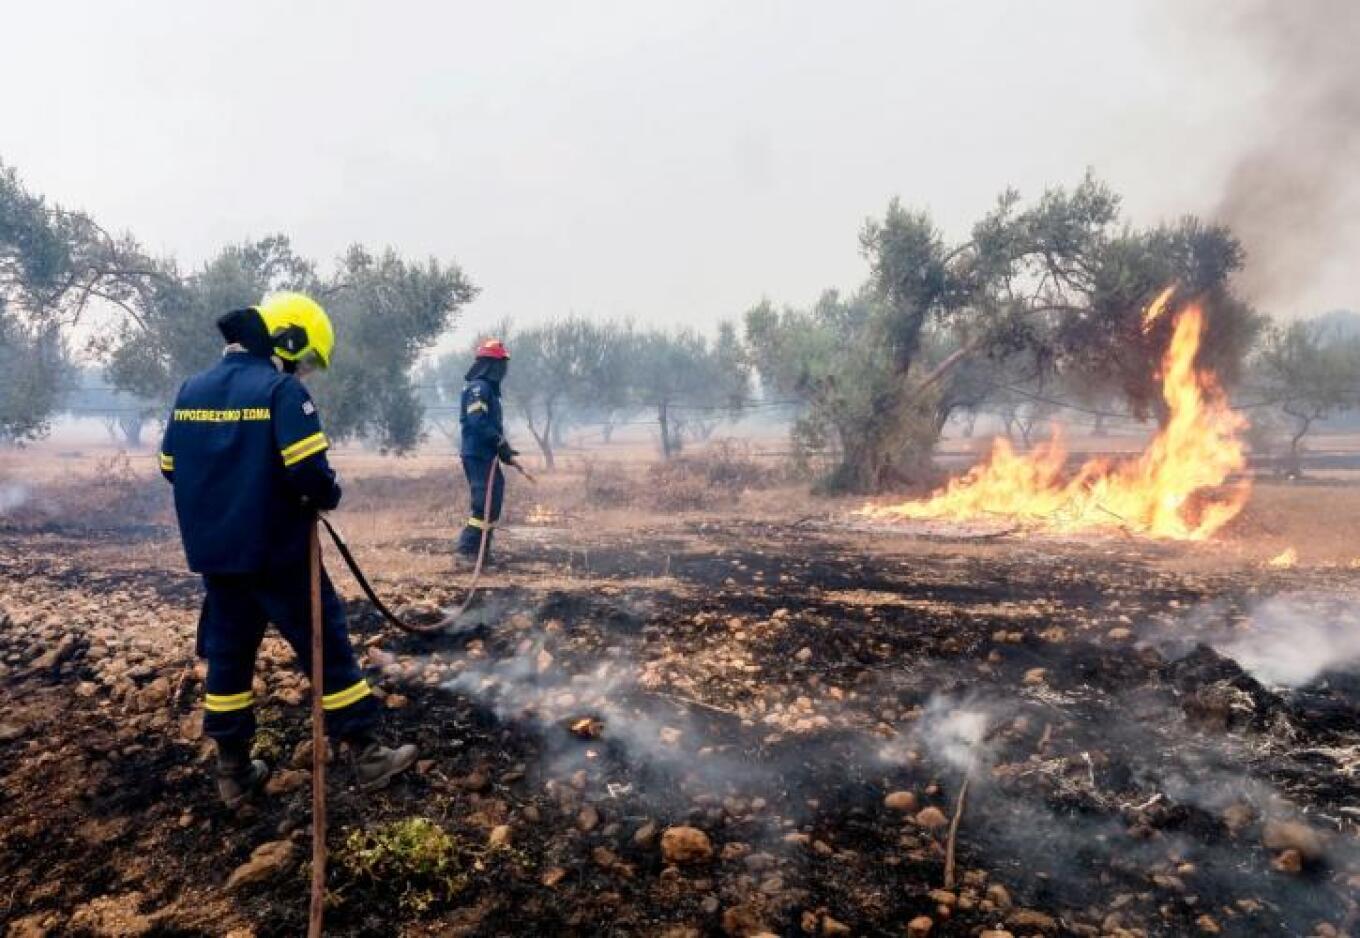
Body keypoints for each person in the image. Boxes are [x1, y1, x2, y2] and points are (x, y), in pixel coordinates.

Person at [158, 292, 417, 808]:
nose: (303, 373)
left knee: (229, 657)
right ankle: (368, 755)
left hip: (219, 558)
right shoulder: (280, 392)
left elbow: (169, 466)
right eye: (304, 360)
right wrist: (325, 495)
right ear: (289, 341)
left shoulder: (190, 390)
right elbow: (308, 472)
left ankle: (233, 772)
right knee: (328, 646)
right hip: (278, 553)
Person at [456, 338, 517, 564]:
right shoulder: (478, 389)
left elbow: (489, 426)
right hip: (477, 454)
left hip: (487, 455)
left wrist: (504, 451)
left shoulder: (489, 391)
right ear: (490, 365)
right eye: (501, 365)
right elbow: (477, 421)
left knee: (494, 499)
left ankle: (483, 552)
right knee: (483, 503)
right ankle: (466, 552)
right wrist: (498, 441)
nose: (503, 371)